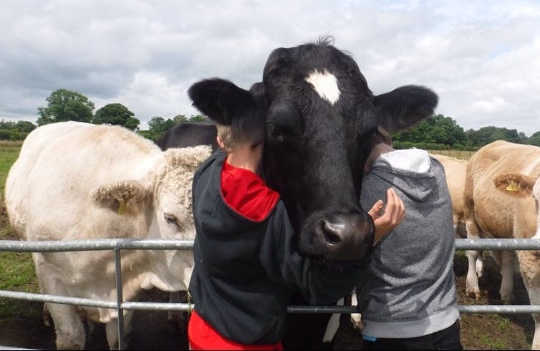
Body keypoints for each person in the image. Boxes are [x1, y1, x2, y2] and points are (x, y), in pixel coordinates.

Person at [187, 119, 405, 350]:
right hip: (250, 344)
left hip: (200, 330)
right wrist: (365, 241)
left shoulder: (206, 172)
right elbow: (319, 288)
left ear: (220, 140)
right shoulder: (272, 212)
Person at [357, 127, 462, 350]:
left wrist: (369, 236)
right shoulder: (436, 170)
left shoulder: (366, 188)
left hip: (389, 327)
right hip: (446, 322)